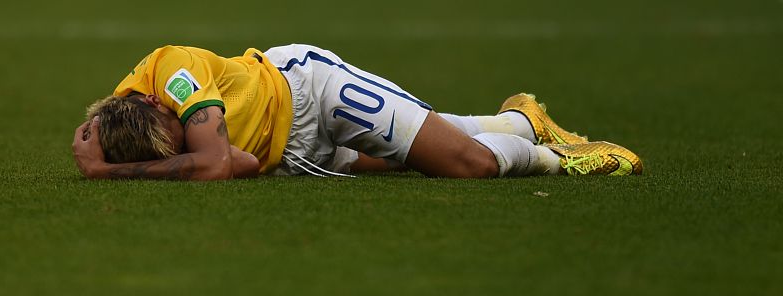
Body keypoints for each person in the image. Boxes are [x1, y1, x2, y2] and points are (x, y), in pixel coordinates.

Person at [72, 43, 643, 181]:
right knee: (432, 154)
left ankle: (555, 159)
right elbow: (235, 160)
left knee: (469, 166)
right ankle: (521, 122)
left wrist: (106, 173)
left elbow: (218, 162)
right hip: (295, 155)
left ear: (151, 99)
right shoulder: (130, 121)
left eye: (180, 129)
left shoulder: (173, 70)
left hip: (311, 92)